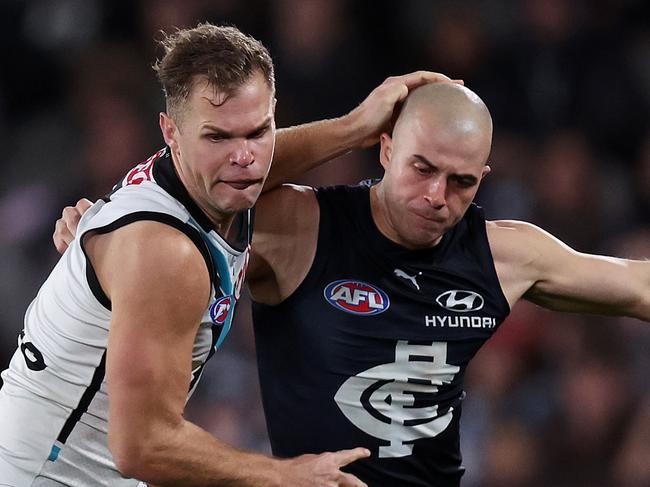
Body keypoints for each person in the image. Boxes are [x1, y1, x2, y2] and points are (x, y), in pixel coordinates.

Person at [57, 80, 650, 486]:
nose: (438, 197)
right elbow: (189, 186)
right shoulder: (298, 226)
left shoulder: (507, 254)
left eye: (462, 181)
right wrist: (115, 237)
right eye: (422, 168)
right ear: (385, 147)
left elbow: (635, 285)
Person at [0, 21, 455, 486]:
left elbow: (262, 158)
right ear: (171, 133)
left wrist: (355, 127)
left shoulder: (196, 182)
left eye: (258, 131)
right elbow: (143, 445)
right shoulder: (167, 255)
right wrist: (284, 476)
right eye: (218, 138)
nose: (244, 157)